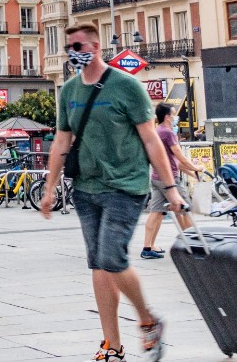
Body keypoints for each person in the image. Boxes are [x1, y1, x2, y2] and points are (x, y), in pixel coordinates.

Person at [40, 23, 186, 362]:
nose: (72, 52)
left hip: (126, 184)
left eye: (78, 45)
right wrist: (49, 189)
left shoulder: (127, 86)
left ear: (95, 45)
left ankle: (148, 321)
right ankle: (112, 345)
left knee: (111, 257)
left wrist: (171, 189)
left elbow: (151, 139)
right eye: (69, 46)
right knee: (99, 265)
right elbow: (62, 140)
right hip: (87, 186)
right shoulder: (70, 91)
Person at [141, 104, 204, 260]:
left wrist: (191, 172)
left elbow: (173, 160)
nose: (177, 118)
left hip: (157, 178)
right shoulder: (168, 133)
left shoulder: (158, 132)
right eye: (174, 115)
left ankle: (147, 247)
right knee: (185, 208)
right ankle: (191, 244)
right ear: (167, 116)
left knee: (156, 213)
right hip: (170, 180)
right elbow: (179, 156)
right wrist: (197, 167)